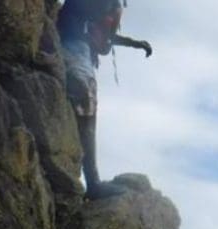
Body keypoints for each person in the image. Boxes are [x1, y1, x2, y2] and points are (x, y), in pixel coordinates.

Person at [57, 0, 152, 199]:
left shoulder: (90, 16)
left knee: (87, 105)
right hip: (72, 48)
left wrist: (134, 43)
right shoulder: (97, 7)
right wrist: (115, 9)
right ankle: (93, 183)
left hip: (75, 48)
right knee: (86, 101)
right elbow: (101, 27)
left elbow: (104, 36)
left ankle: (92, 181)